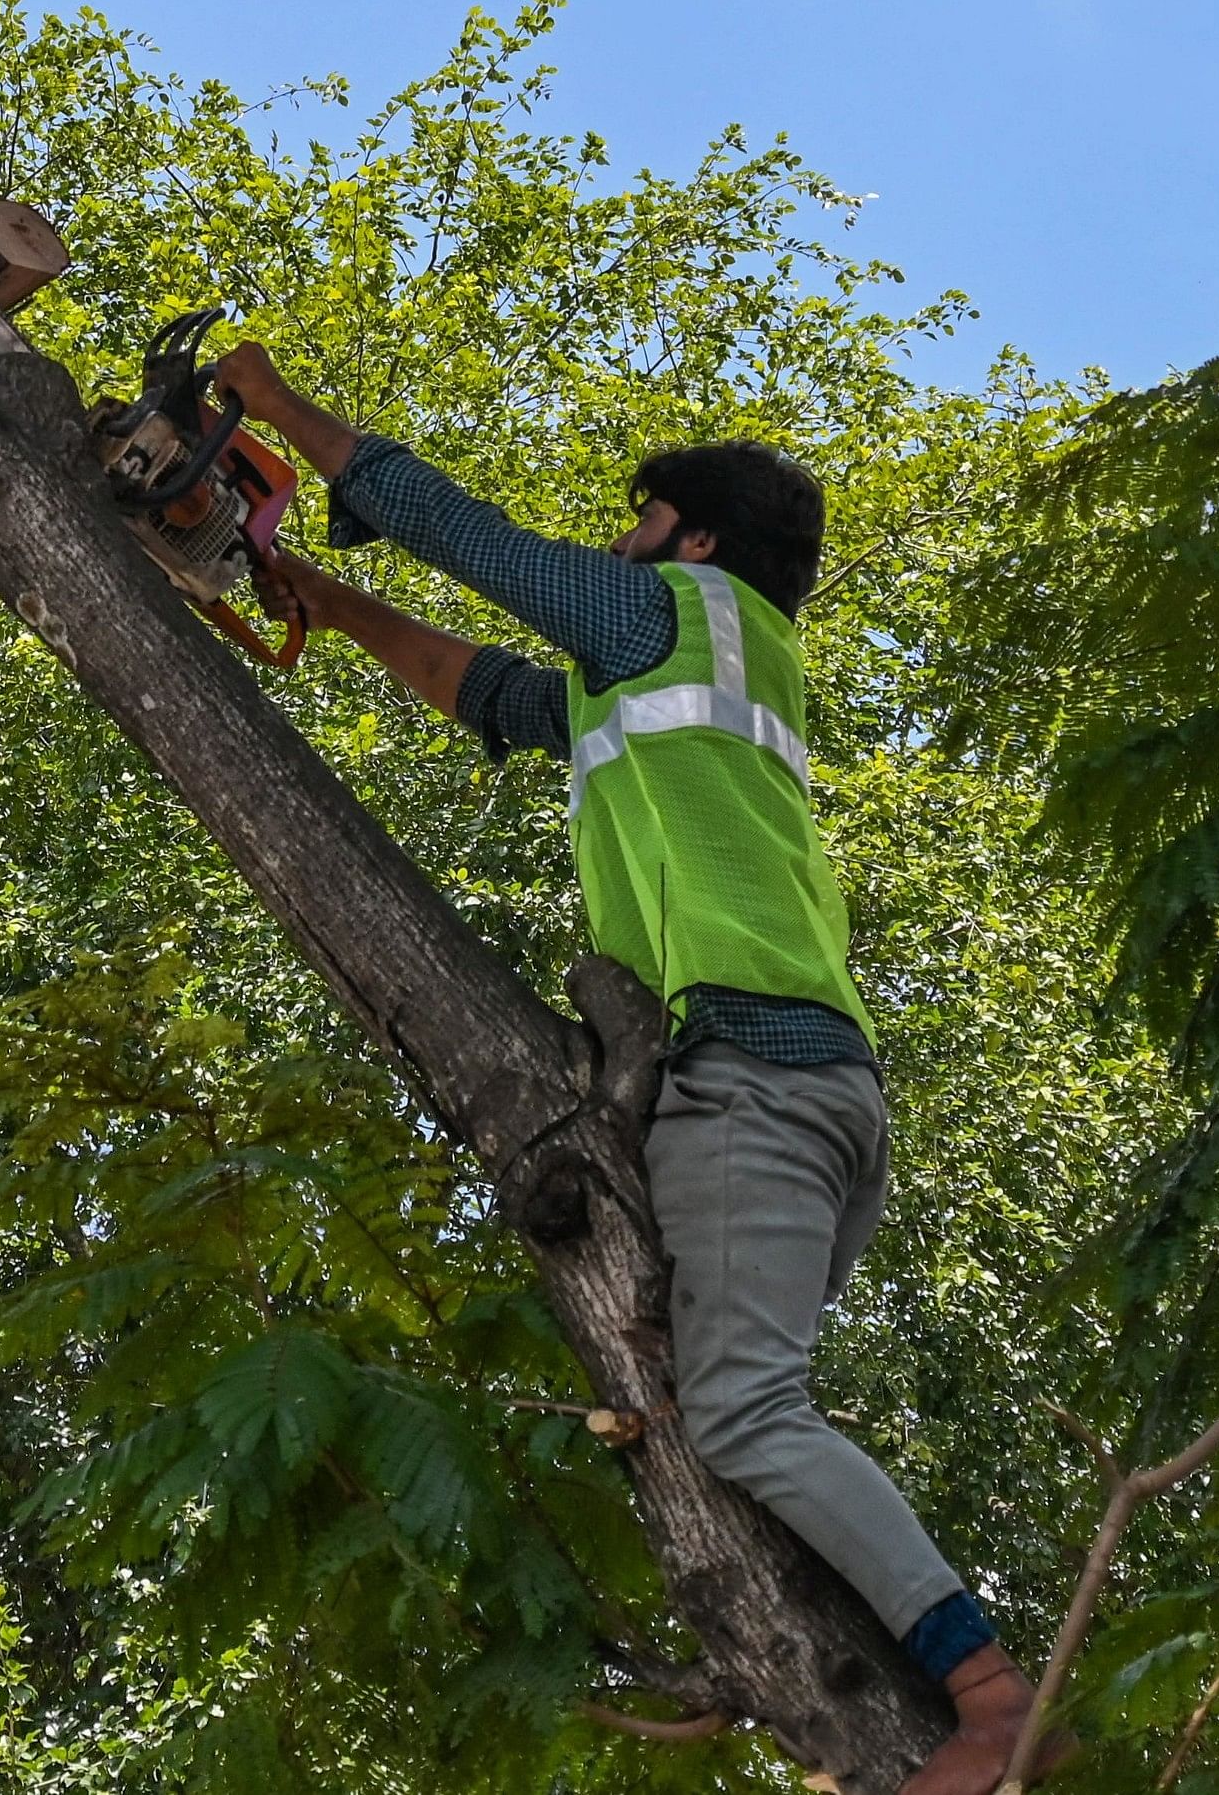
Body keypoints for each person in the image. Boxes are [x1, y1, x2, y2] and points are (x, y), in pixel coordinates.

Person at [204, 342, 1062, 1795]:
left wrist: (286, 416)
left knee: (742, 1414)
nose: (617, 542)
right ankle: (856, 1688)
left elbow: (483, 550)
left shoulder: (674, 611)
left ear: (696, 536)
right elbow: (485, 689)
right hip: (807, 1087)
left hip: (753, 1080)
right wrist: (327, 605)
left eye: (638, 517)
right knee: (729, 1416)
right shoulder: (685, 674)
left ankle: (991, 1699)